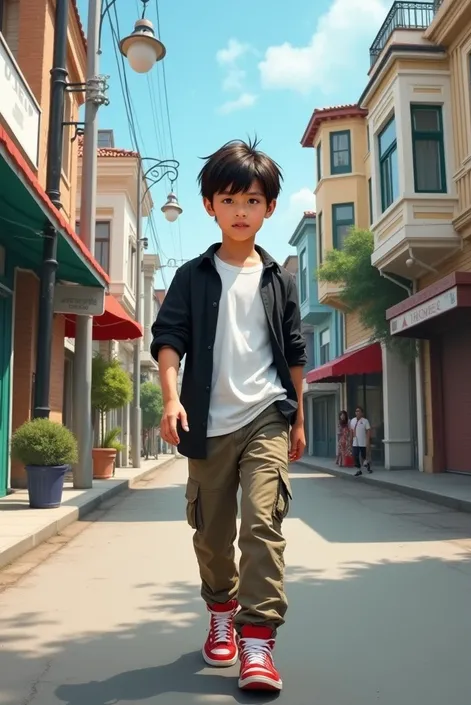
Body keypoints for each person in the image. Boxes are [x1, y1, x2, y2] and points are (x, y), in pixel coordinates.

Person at [150, 138, 307, 693]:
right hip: (207, 424)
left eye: (254, 201)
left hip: (266, 413)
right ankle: (221, 608)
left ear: (268, 209)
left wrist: (299, 417)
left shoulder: (278, 280)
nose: (242, 211)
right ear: (209, 206)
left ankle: (258, 642)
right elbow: (169, 338)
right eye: (230, 199)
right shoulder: (192, 277)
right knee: (213, 536)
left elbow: (293, 351)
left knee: (262, 524)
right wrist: (172, 398)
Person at [350, 406, 372, 477]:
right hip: (355, 441)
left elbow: (368, 431)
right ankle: (359, 469)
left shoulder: (365, 421)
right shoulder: (353, 420)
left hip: (363, 441)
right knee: (355, 455)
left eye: (358, 411)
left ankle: (367, 465)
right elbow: (351, 431)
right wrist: (351, 439)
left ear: (362, 413)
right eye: (356, 411)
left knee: (364, 456)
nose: (357, 412)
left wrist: (368, 440)